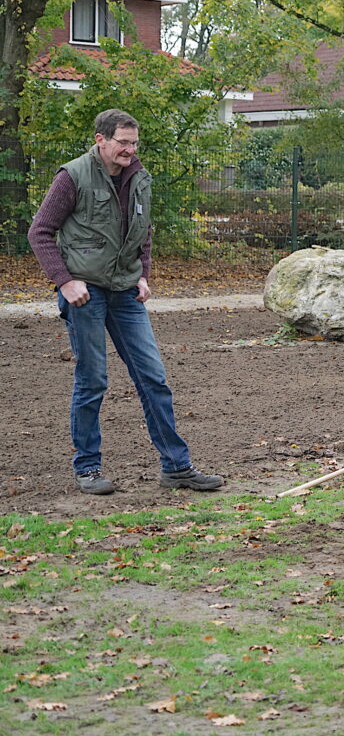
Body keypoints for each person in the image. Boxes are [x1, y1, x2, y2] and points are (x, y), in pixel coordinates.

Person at [27, 108, 224, 495]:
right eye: (123, 142)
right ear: (101, 139)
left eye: (134, 143)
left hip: (125, 293)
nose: (130, 150)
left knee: (154, 378)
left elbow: (143, 231)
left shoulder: (139, 179)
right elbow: (40, 231)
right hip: (86, 293)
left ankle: (177, 467)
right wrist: (65, 282)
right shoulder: (73, 176)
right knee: (93, 381)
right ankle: (87, 468)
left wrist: (144, 274)